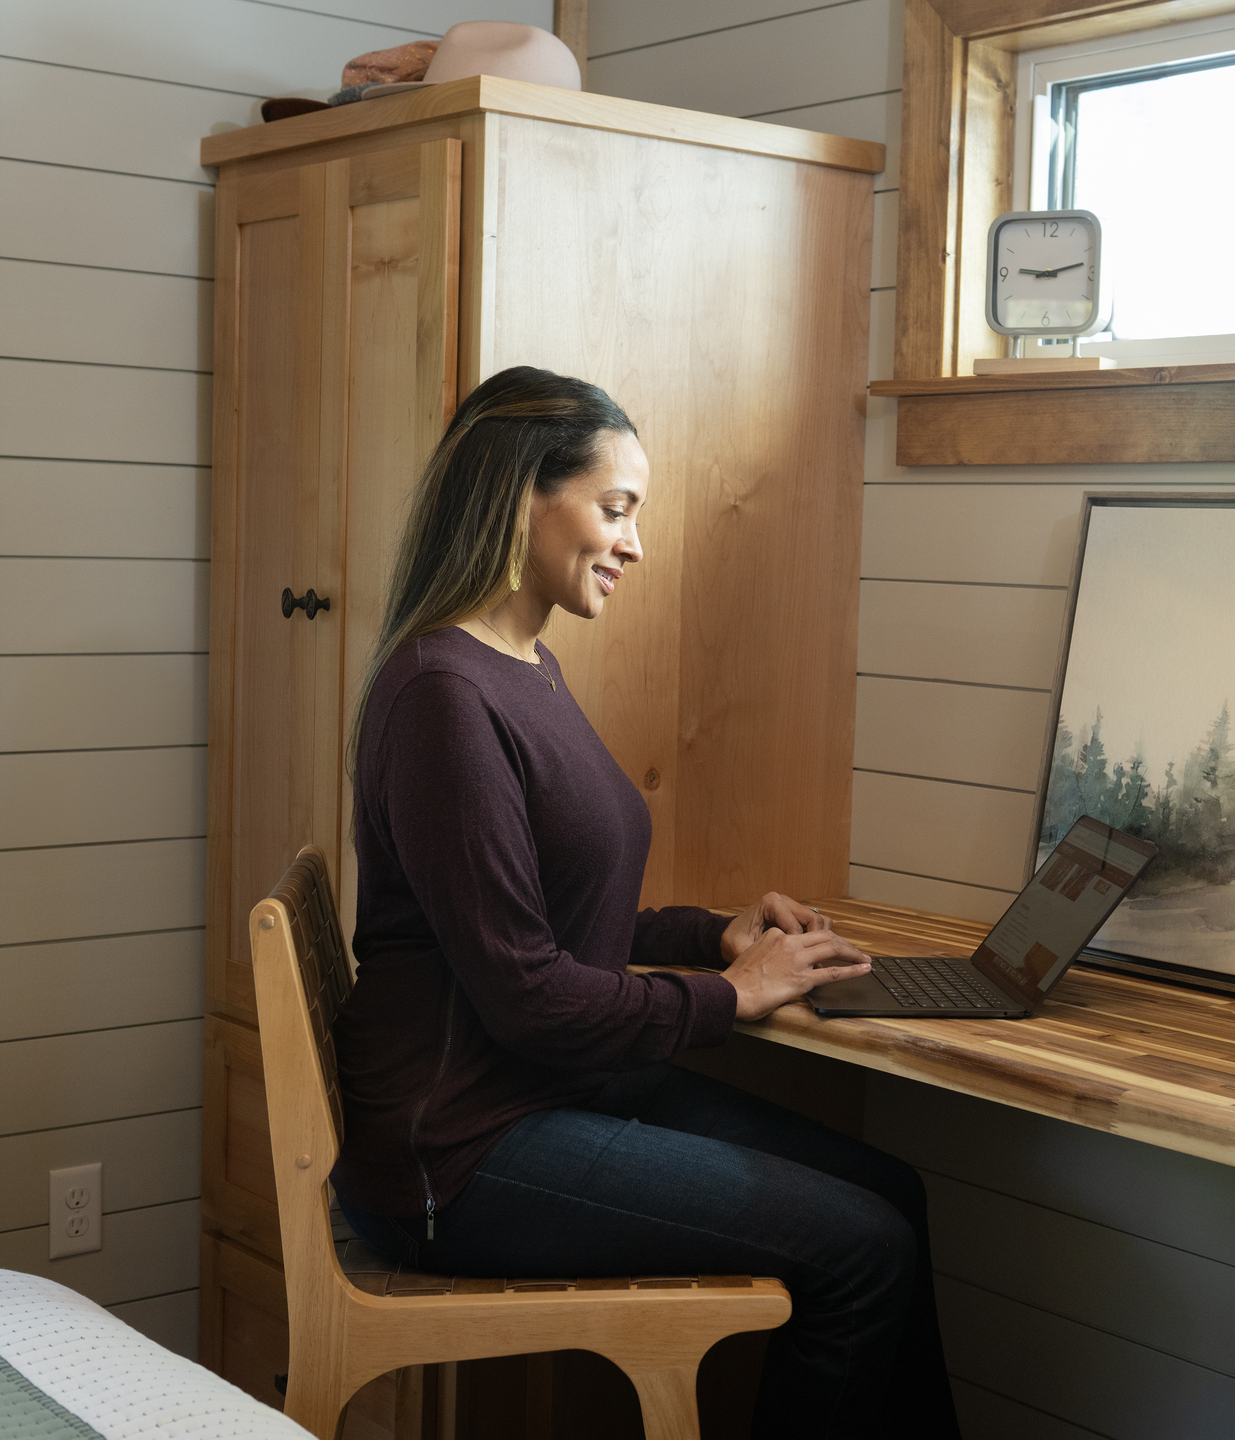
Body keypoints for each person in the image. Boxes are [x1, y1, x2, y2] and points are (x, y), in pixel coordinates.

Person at [328, 366, 961, 1439]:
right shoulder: (444, 695)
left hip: (546, 1091)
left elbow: (547, 925)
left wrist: (716, 936)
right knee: (864, 1250)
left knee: (892, 1194)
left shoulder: (520, 666)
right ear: (521, 493)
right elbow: (528, 992)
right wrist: (734, 998)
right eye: (614, 509)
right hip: (465, 1151)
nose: (632, 543)